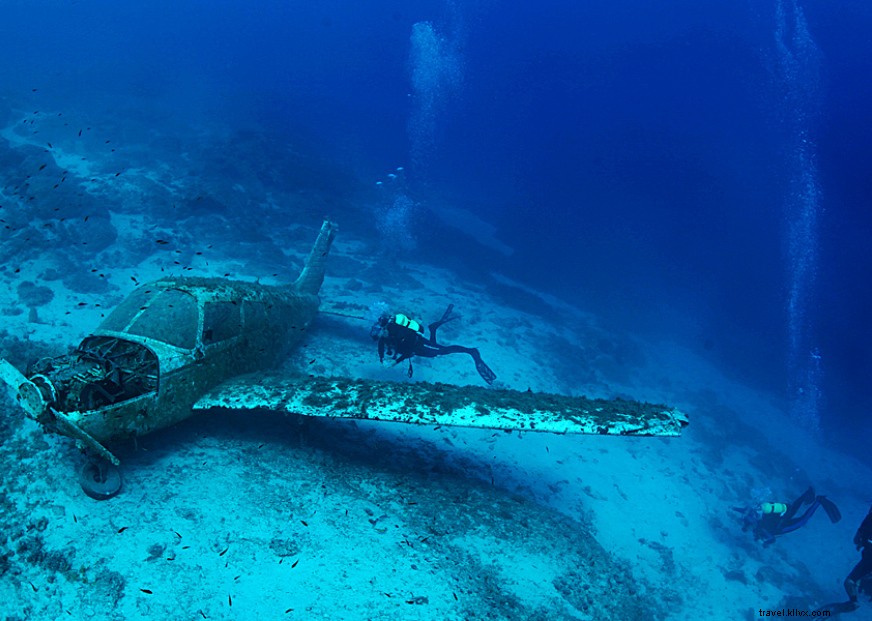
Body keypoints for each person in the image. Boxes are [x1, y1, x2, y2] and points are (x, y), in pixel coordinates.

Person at [370, 304, 496, 385]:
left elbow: (408, 351)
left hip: (418, 345)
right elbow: (381, 343)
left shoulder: (394, 331)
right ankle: (433, 328)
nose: (380, 336)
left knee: (441, 351)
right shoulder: (386, 333)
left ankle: (471, 351)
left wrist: (395, 362)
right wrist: (381, 359)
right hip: (415, 347)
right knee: (434, 352)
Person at [734, 486, 841, 547]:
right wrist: (734, 508)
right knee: (793, 508)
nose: (750, 529)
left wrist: (764, 543)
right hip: (780, 516)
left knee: (802, 521)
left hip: (782, 527)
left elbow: (772, 539)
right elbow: (746, 510)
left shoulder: (761, 530)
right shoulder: (752, 517)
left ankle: (818, 501)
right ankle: (807, 492)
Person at [843, 504, 872, 611]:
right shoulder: (869, 520)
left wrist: (862, 542)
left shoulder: (869, 519)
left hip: (868, 559)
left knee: (849, 582)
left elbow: (856, 539)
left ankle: (853, 602)